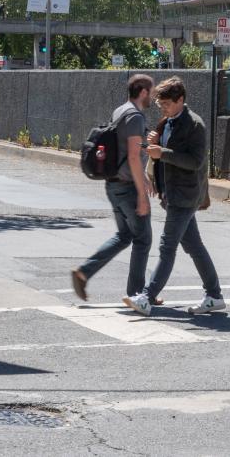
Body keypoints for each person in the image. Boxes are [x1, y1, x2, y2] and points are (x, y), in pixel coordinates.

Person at [123, 77, 225, 316]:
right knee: (194, 246)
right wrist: (155, 143)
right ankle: (215, 295)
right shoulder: (167, 122)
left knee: (167, 246)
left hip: (186, 194)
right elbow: (164, 152)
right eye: (160, 104)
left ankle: (146, 297)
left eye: (167, 103)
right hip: (173, 193)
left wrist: (163, 153)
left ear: (180, 100)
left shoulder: (195, 125)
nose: (163, 108)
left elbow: (196, 161)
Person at [71, 74, 155, 302]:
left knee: (124, 235)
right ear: (144, 92)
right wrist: (142, 196)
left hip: (113, 184)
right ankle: (138, 294)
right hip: (127, 188)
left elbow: (125, 154)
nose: (153, 95)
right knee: (143, 239)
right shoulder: (135, 117)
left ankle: (83, 272)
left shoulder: (120, 111)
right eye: (152, 91)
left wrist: (143, 180)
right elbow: (135, 157)